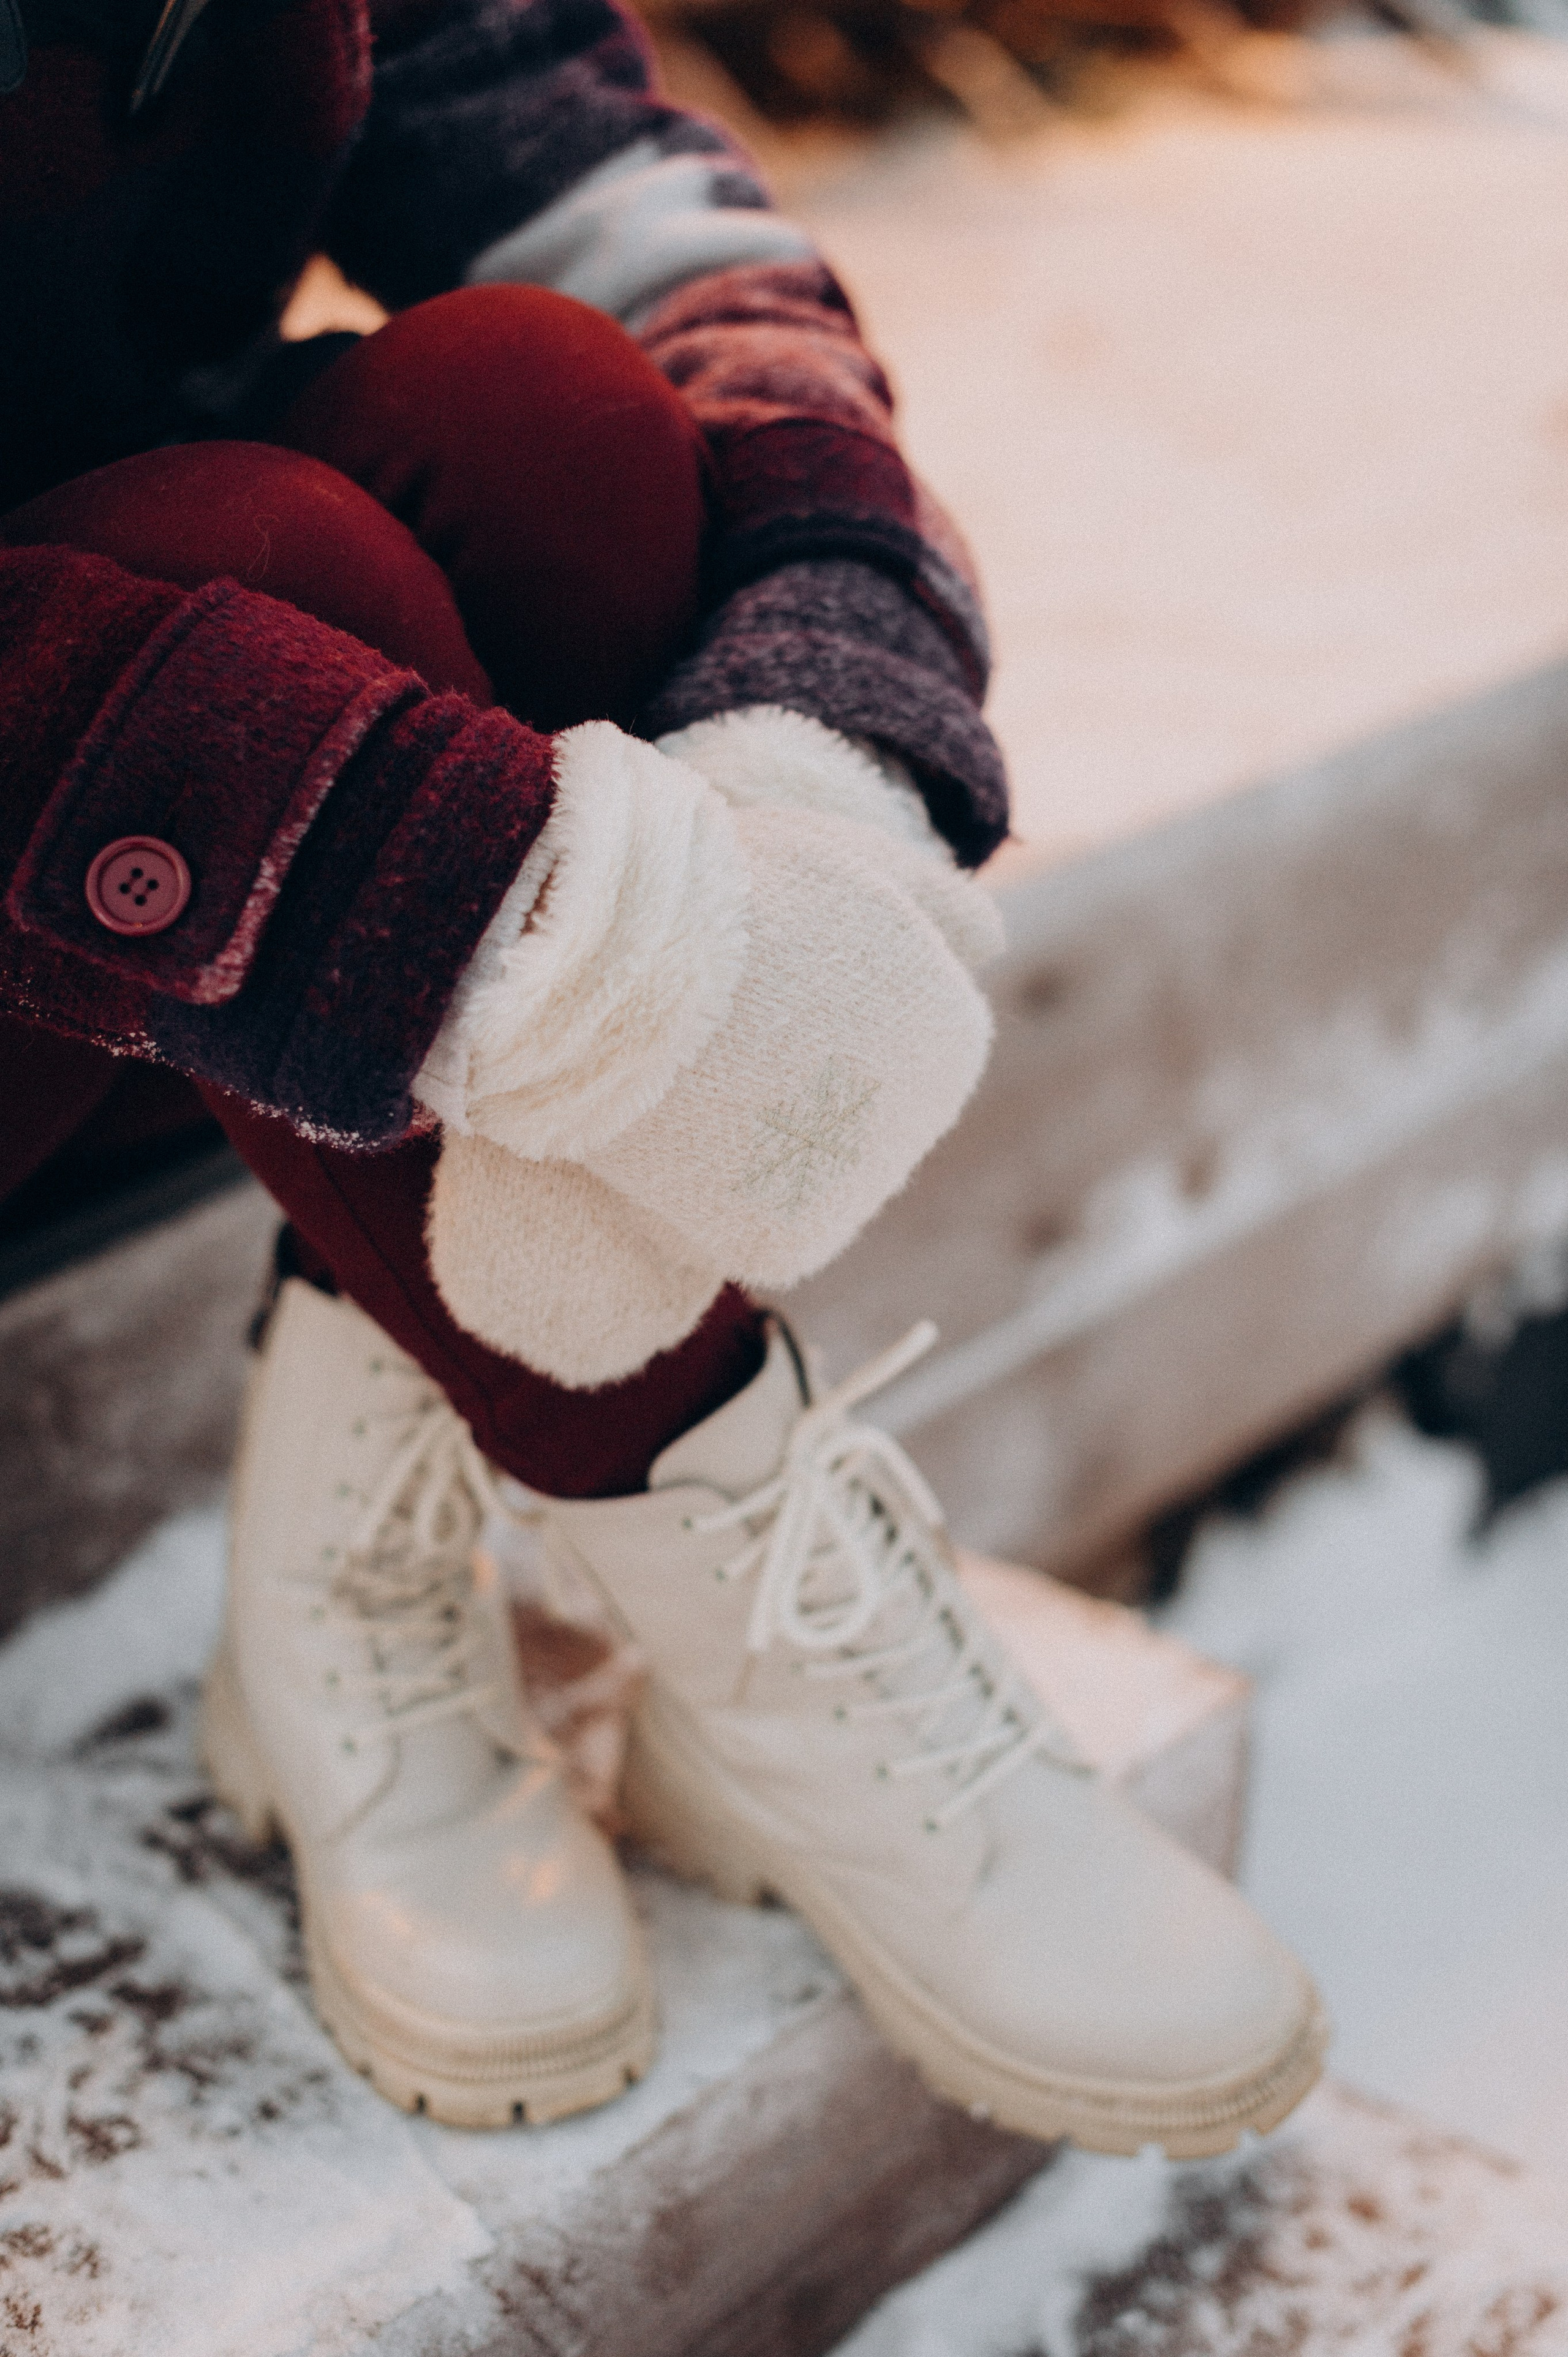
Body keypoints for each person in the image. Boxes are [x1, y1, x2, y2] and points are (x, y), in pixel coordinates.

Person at [0, 0, 1324, 2149]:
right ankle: (718, 1551)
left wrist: (833, 750)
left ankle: (341, 1594)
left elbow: (647, 219)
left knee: (567, 424)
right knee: (267, 553)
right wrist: (508, 926)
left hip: (147, 952)